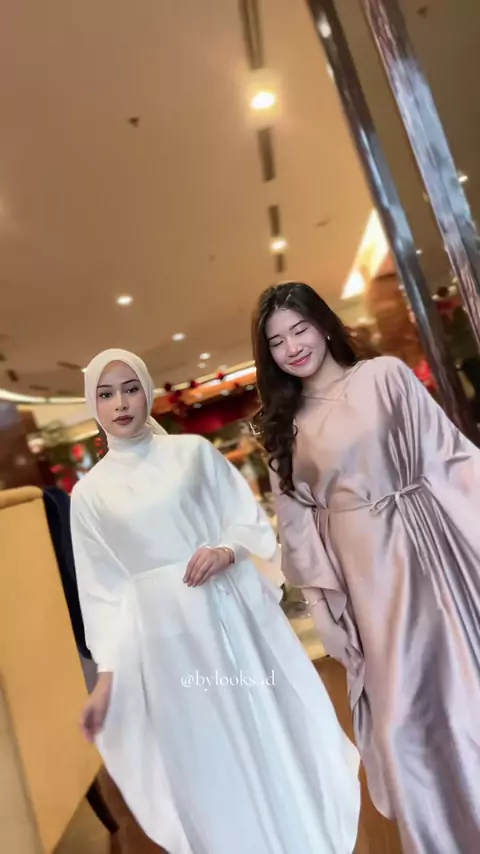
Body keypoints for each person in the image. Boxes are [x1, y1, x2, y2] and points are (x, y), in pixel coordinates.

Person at [71, 348, 360, 854]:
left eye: (131, 388)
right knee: (204, 751)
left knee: (259, 725)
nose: (121, 403)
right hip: (162, 645)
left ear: (147, 391)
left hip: (226, 619)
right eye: (106, 393)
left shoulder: (192, 454)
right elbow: (102, 594)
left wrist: (226, 549)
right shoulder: (88, 495)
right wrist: (107, 680)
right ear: (92, 404)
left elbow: (244, 519)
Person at [252, 282, 480, 854]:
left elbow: (448, 455)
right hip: (364, 579)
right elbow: (297, 524)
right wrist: (320, 609)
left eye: (300, 329)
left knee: (464, 693)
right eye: (277, 341)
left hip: (430, 549)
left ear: (324, 324)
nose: (293, 347)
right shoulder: (286, 425)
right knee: (402, 716)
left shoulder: (384, 376)